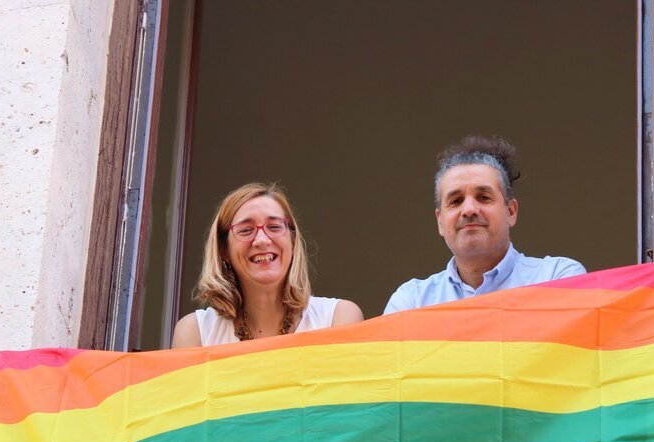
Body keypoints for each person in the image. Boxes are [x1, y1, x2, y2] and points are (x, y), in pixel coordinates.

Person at [383, 136, 585, 314]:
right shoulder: (412, 301)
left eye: (484, 197)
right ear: (440, 222)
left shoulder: (558, 277)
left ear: (511, 212)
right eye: (456, 201)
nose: (469, 209)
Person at [172, 183, 362, 347]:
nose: (262, 240)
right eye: (246, 230)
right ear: (224, 250)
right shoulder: (195, 333)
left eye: (274, 227)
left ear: (293, 242)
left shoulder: (338, 319)